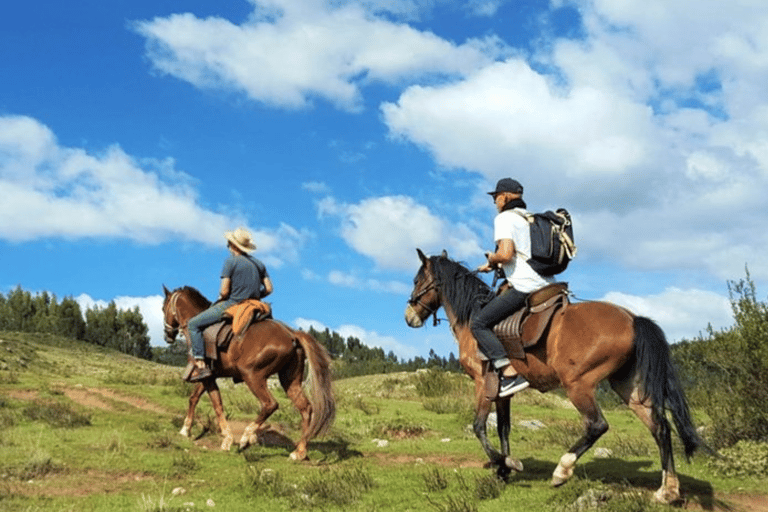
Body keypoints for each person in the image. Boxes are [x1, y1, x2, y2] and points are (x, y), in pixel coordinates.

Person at [473, 178, 554, 397]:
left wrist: (493, 257)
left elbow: (506, 253)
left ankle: (509, 372)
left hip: (525, 285)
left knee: (479, 323)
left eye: (496, 198)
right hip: (549, 284)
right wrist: (493, 266)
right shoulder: (531, 218)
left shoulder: (504, 218)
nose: (495, 203)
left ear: (505, 196)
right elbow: (523, 254)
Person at [186, 227, 273, 382]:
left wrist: (227, 296)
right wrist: (255, 296)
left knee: (193, 324)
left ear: (233, 245)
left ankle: (200, 364)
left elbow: (224, 291)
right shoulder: (259, 264)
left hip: (233, 304)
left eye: (228, 244)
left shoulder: (230, 262)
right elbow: (269, 289)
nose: (228, 247)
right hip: (256, 305)